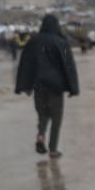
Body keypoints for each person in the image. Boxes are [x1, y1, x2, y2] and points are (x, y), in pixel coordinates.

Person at [15, 14, 80, 158]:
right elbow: (68, 66)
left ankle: (40, 136)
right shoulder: (60, 42)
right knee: (56, 118)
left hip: (39, 86)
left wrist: (25, 86)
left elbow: (25, 64)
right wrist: (73, 88)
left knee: (43, 115)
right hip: (56, 87)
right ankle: (53, 149)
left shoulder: (33, 42)